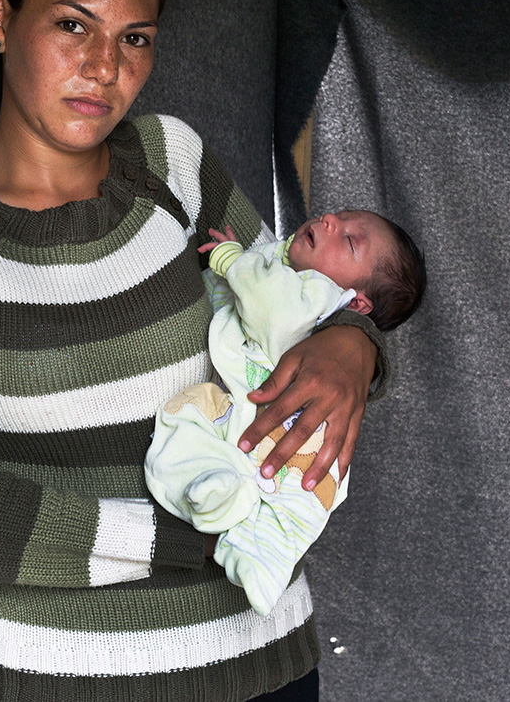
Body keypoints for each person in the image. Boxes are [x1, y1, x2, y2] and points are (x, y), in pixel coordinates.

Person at [0, 0, 384, 702]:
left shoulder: (169, 161)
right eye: (72, 24)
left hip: (269, 659)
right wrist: (190, 536)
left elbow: (293, 301)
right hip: (71, 682)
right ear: (0, 17)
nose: (104, 68)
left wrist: (353, 347)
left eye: (133, 38)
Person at [145, 211, 425, 615]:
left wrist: (230, 259)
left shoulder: (317, 294)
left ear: (358, 303)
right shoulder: (298, 274)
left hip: (254, 415)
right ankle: (231, 509)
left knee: (183, 420)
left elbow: (270, 305)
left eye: (348, 240)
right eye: (340, 215)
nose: (329, 221)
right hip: (265, 422)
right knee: (272, 495)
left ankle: (243, 529)